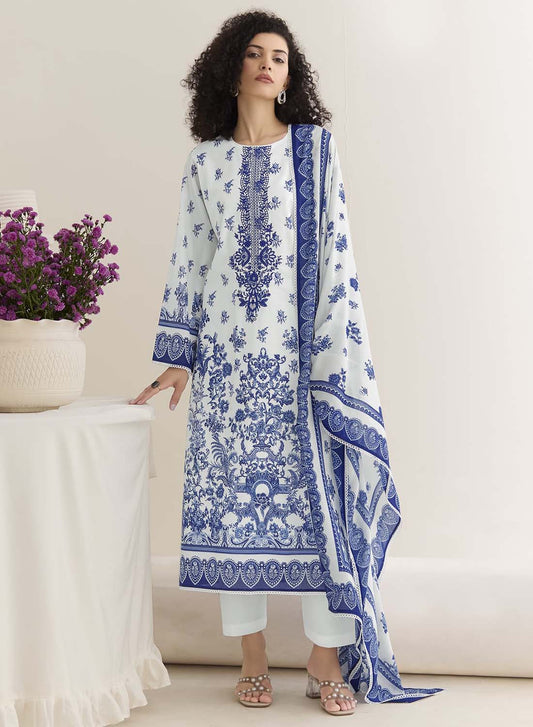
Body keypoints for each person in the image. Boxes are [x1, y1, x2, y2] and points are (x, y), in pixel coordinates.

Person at [130, 10, 443, 714]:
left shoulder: (315, 151)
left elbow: (337, 250)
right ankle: (251, 655)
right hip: (227, 367)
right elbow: (190, 260)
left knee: (315, 509)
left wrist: (332, 358)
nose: (269, 64)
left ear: (289, 75)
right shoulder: (205, 162)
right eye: (255, 53)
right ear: (230, 68)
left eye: (280, 56)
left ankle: (324, 656)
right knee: (232, 508)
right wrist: (177, 357)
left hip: (301, 363)